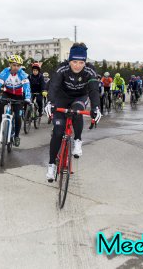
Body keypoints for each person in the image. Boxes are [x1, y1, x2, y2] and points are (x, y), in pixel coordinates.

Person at [44, 43, 102, 182]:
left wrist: (96, 108)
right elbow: (53, 86)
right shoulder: (62, 68)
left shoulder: (90, 71)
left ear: (85, 62)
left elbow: (94, 90)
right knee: (58, 131)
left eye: (81, 62)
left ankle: (77, 140)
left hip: (79, 97)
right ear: (69, 61)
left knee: (77, 112)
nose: (77, 65)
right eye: (74, 62)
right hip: (61, 98)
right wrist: (50, 102)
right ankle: (51, 164)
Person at [0, 55, 31, 147]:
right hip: (7, 93)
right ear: (10, 65)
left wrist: (27, 97)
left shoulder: (22, 74)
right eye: (14, 65)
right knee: (0, 105)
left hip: (19, 96)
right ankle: (0, 122)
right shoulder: (5, 72)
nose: (16, 67)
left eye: (18, 65)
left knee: (18, 117)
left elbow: (27, 86)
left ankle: (16, 136)